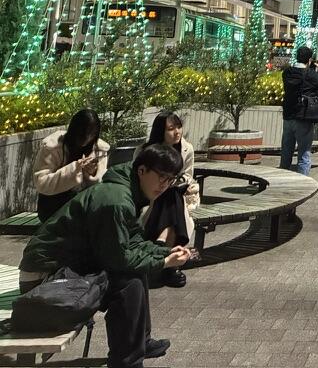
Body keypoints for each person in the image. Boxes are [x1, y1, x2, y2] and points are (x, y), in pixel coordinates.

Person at [19, 144, 192, 368]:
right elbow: (118, 259)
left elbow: (131, 240)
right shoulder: (116, 200)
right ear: (141, 170)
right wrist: (164, 262)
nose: (164, 185)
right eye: (161, 177)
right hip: (43, 279)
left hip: (66, 268)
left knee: (135, 274)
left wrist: (165, 251)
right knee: (128, 283)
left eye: (170, 179)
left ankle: (140, 343)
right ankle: (127, 362)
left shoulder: (127, 190)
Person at [136, 111, 199, 287]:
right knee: (169, 196)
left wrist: (174, 181)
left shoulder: (187, 149)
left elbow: (188, 176)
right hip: (151, 197)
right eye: (171, 128)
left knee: (172, 193)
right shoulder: (146, 150)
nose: (177, 132)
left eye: (179, 127)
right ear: (160, 131)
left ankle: (162, 243)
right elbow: (139, 176)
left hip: (177, 196)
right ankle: (171, 267)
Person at [33, 108, 110, 222]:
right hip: (53, 206)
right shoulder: (53, 147)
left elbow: (99, 186)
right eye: (83, 133)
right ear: (74, 130)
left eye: (92, 134)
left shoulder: (99, 149)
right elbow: (41, 183)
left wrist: (91, 174)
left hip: (84, 205)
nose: (87, 137)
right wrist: (74, 169)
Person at [281, 46, 318, 175]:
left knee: (286, 152)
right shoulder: (309, 74)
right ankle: (302, 181)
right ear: (309, 60)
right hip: (303, 116)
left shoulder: (287, 72)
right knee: (304, 154)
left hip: (288, 116)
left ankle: (282, 179)